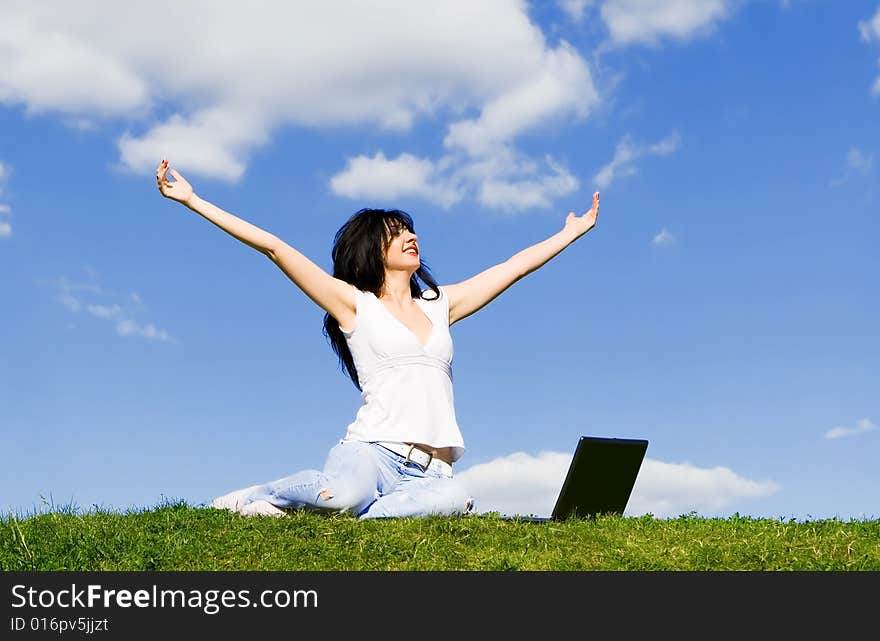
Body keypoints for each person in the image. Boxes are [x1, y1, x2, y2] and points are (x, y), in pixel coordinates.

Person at [155, 158, 600, 519]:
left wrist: (568, 233)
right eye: (397, 233)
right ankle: (264, 495)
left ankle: (334, 512)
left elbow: (513, 267)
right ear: (373, 250)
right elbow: (274, 247)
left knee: (454, 501)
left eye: (410, 230)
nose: (411, 237)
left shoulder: (440, 305)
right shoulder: (354, 306)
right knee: (345, 495)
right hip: (371, 454)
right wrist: (193, 200)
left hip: (432, 472)